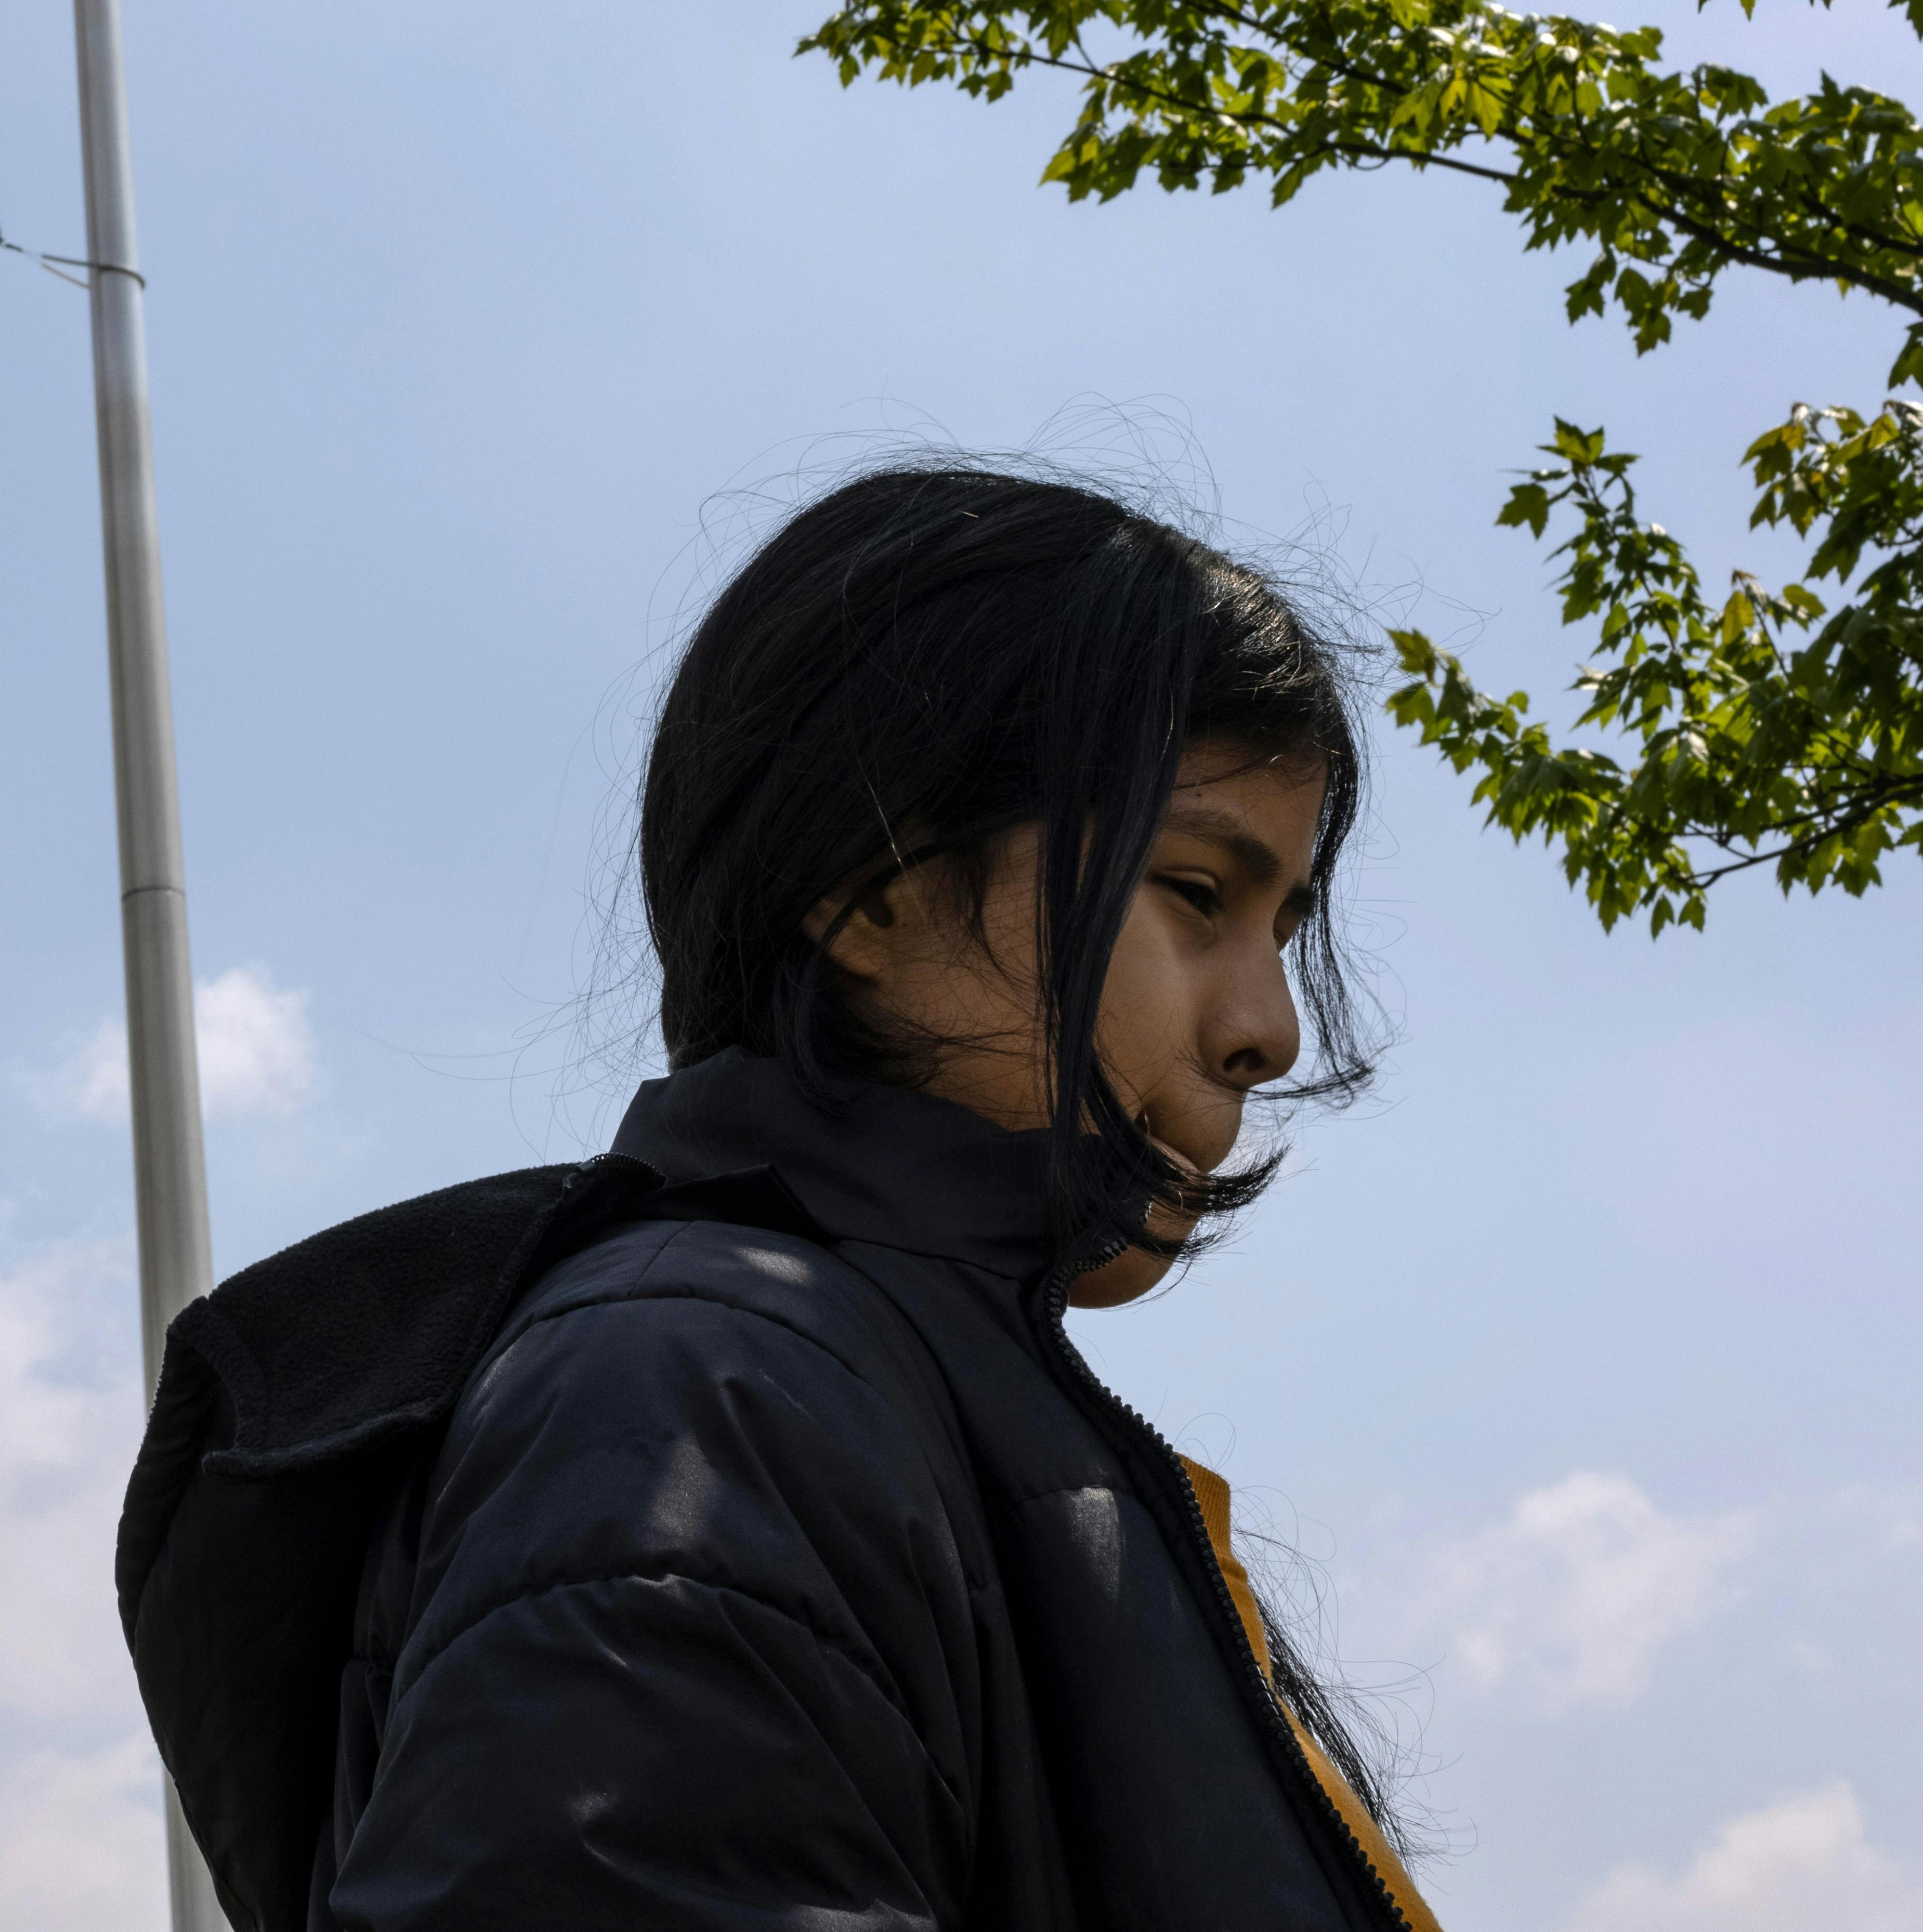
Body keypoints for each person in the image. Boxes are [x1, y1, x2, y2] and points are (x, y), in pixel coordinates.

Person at [119, 466, 1445, 1932]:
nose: (1272, 1027)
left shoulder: (861, 1400)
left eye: (1287, 922)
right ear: (873, 889)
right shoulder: (708, 1385)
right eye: (1197, 893)